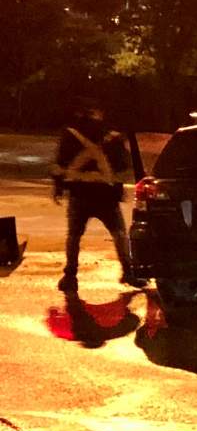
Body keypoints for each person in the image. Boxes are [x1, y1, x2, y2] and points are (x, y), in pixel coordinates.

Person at [51, 98, 142, 294]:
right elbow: (122, 168)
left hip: (79, 194)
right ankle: (128, 271)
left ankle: (70, 276)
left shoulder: (70, 135)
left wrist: (58, 187)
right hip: (106, 196)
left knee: (74, 236)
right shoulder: (112, 136)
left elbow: (60, 166)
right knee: (118, 234)